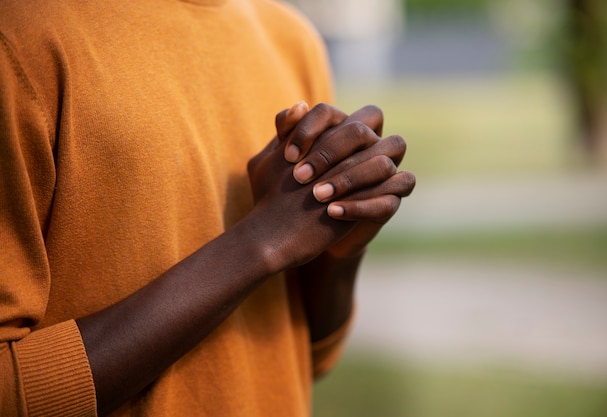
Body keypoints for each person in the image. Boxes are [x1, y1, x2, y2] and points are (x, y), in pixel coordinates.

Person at [0, 1, 415, 416]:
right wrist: (258, 244)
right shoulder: (22, 33)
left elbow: (306, 358)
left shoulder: (291, 37)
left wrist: (339, 249)